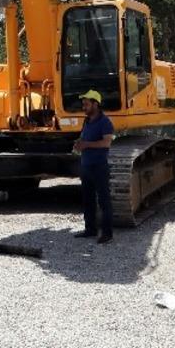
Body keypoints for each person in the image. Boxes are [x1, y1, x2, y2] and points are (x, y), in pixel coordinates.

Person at [72, 89, 115, 244]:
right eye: (83, 104)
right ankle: (90, 229)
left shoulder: (105, 122)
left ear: (96, 104)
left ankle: (107, 233)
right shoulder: (87, 121)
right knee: (88, 199)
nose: (84, 106)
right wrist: (79, 144)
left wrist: (86, 145)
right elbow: (84, 138)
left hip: (99, 167)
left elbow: (106, 142)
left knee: (104, 201)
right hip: (86, 166)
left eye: (87, 104)